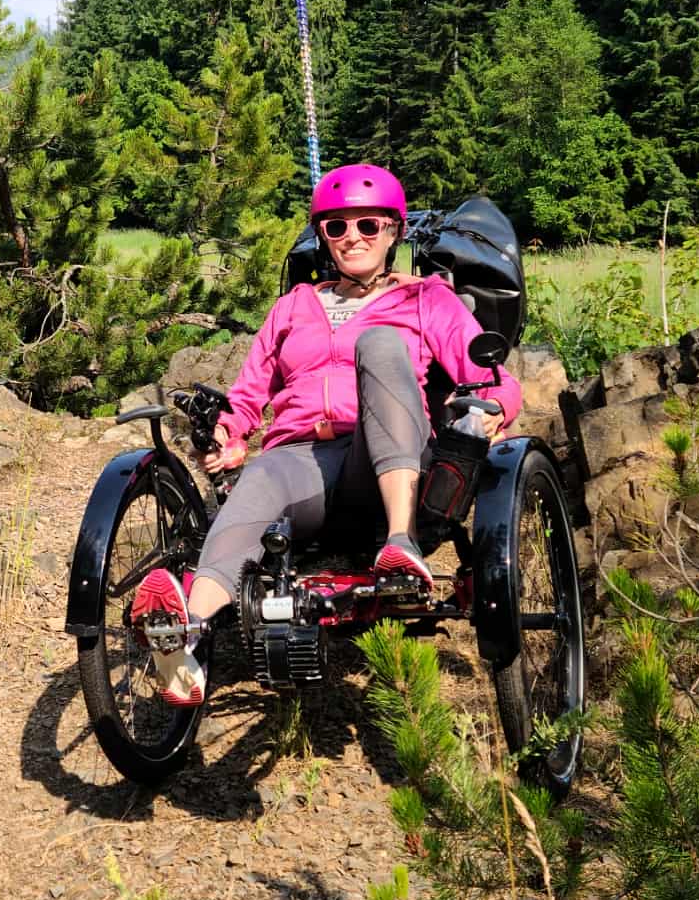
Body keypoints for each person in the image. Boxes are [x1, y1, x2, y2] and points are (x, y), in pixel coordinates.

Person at [129, 164, 522, 704]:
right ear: (322, 238)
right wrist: (230, 432)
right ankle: (186, 636)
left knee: (381, 346)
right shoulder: (293, 306)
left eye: (367, 225)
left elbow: (492, 379)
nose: (352, 238)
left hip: (382, 459)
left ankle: (401, 546)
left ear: (392, 232)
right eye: (336, 228)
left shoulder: (426, 298)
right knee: (260, 478)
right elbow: (248, 395)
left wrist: (493, 406)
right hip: (300, 459)